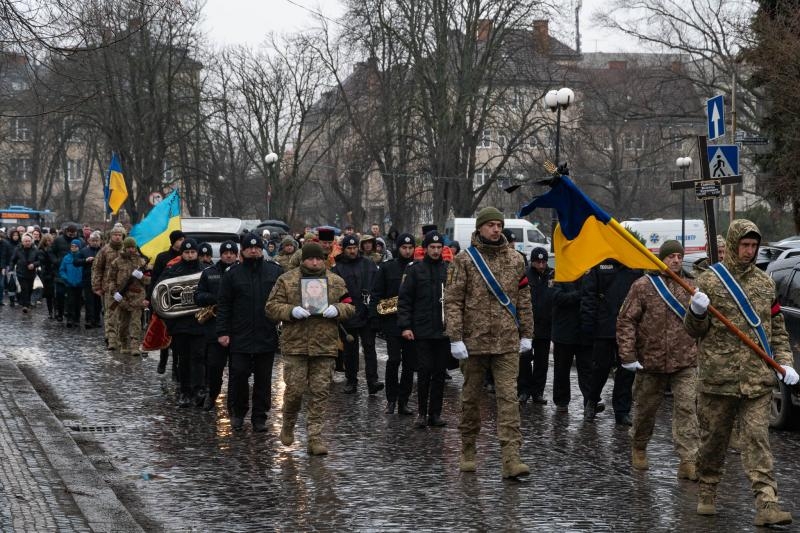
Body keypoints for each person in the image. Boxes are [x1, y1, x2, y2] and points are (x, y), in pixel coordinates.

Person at [686, 220, 796, 525]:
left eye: (753, 246)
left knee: (758, 440)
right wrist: (696, 311)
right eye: (744, 245)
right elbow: (693, 330)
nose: (749, 251)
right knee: (713, 441)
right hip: (717, 381)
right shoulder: (709, 282)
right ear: (734, 245)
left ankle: (767, 503)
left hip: (756, 382)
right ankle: (707, 490)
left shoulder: (766, 284)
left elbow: (777, 332)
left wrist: (785, 363)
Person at [445, 207, 533, 479]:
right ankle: (468, 448)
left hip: (506, 341)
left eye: (499, 225)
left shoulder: (516, 260)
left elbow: (524, 299)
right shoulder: (464, 260)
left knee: (508, 399)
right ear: (480, 228)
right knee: (471, 399)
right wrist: (455, 338)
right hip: (474, 343)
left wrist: (528, 333)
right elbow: (453, 301)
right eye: (490, 225)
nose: (496, 229)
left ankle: (511, 458)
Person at [617, 240, 699, 480]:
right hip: (650, 361)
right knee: (645, 409)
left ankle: (688, 459)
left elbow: (702, 323)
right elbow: (626, 320)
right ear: (660, 259)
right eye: (671, 256)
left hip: (684, 360)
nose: (676, 260)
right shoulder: (643, 286)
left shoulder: (692, 285)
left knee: (687, 409)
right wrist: (628, 355)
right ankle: (639, 446)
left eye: (679, 256)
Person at [266, 242, 355, 455]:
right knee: (294, 390)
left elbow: (350, 305)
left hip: (325, 346)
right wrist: (290, 311)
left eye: (318, 259)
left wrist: (338, 309)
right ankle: (288, 423)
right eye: (310, 258)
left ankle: (315, 438)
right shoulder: (287, 280)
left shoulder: (335, 281)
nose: (314, 262)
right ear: (303, 258)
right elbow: (270, 307)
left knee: (320, 392)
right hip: (296, 345)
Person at [216, 233, 283, 431]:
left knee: (263, 379)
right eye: (249, 248)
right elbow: (224, 305)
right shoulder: (232, 274)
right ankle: (237, 413)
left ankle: (259, 417)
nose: (253, 250)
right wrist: (222, 331)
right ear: (243, 250)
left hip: (266, 333)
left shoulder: (274, 272)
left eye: (257, 247)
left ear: (261, 249)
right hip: (239, 334)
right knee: (238, 375)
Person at [398, 231, 450, 428]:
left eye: (439, 248)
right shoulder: (415, 270)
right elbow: (405, 300)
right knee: (424, 371)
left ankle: (435, 413)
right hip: (421, 330)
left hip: (443, 331)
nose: (436, 251)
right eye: (432, 248)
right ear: (426, 248)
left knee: (439, 373)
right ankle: (421, 412)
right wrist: (405, 326)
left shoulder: (448, 269)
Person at [581, 259, 642, 425]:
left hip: (628, 328)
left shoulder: (635, 265)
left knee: (627, 371)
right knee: (600, 368)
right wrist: (588, 325)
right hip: (604, 326)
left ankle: (622, 411)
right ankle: (591, 402)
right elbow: (589, 296)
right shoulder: (600, 264)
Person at [370, 232, 417, 415]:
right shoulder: (387, 268)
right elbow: (376, 293)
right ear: (398, 248)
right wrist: (375, 319)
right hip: (391, 321)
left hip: (412, 322)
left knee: (410, 363)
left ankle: (404, 401)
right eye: (404, 248)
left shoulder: (417, 267)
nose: (407, 251)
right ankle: (391, 399)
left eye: (410, 248)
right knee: (394, 360)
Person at [157, 238, 207, 407]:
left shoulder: (206, 270)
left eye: (193, 252)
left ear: (197, 253)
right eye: (186, 252)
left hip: (200, 322)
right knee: (183, 359)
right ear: (182, 253)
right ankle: (184, 392)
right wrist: (170, 323)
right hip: (180, 324)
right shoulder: (172, 271)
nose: (190, 255)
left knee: (199, 357)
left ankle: (199, 390)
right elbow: (159, 294)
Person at [332, 235, 384, 395]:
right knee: (350, 351)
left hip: (367, 314)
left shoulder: (368, 264)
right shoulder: (338, 268)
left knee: (369, 348)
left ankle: (372, 380)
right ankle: (351, 380)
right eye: (349, 248)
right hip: (348, 315)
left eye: (355, 248)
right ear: (344, 249)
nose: (353, 251)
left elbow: (377, 286)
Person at [194, 239, 238, 411]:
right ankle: (212, 395)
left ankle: (232, 402)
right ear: (221, 254)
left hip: (236, 326)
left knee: (237, 369)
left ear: (236, 255)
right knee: (214, 367)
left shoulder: (241, 272)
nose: (228, 255)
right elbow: (198, 296)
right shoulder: (209, 273)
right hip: (214, 327)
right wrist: (216, 298)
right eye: (226, 253)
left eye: (232, 253)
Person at [550, 275, 593, 411]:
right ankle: (561, 402)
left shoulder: (589, 276)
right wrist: (580, 294)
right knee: (561, 369)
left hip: (583, 331)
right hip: (564, 331)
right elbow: (558, 298)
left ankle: (590, 402)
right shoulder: (561, 276)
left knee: (586, 370)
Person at [519, 246, 553, 405]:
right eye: (537, 262)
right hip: (527, 325)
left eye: (543, 262)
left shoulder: (552, 275)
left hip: (545, 326)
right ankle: (523, 390)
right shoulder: (525, 274)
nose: (541, 265)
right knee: (524, 360)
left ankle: (537, 392)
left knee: (542, 362)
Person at [151, 230, 185, 376]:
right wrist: (151, 298)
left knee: (179, 335)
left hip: (181, 300)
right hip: (166, 300)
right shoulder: (162, 257)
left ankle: (177, 366)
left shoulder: (186, 256)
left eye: (184, 239)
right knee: (165, 331)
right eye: (180, 239)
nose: (182, 241)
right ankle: (163, 360)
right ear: (174, 241)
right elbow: (155, 279)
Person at [108, 237, 150, 356]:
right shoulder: (116, 262)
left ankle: (135, 346)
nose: (131, 250)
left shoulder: (141, 262)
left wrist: (141, 276)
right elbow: (111, 279)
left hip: (137, 297)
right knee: (123, 324)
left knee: (136, 323)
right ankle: (124, 344)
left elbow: (149, 281)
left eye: (133, 247)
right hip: (122, 297)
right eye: (129, 247)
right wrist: (114, 292)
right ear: (124, 248)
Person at [92, 225, 126, 349]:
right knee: (110, 312)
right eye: (115, 235)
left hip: (125, 288)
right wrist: (97, 286)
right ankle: (110, 337)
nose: (117, 237)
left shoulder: (127, 250)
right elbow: (97, 269)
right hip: (109, 288)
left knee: (123, 314)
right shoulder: (104, 250)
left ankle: (120, 337)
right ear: (111, 236)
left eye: (119, 235)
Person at [52, 224, 82, 321]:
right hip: (61, 271)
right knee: (60, 294)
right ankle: (59, 312)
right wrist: (55, 260)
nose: (72, 235)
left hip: (75, 273)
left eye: (74, 234)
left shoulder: (80, 241)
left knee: (73, 297)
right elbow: (51, 251)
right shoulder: (58, 240)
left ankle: (71, 314)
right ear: (66, 231)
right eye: (70, 233)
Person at [75, 231, 102, 329]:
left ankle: (97, 319)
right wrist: (85, 260)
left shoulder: (103, 251)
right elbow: (76, 262)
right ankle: (89, 319)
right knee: (89, 300)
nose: (95, 242)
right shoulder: (83, 251)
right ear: (89, 241)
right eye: (93, 240)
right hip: (88, 279)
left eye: (96, 240)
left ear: (100, 241)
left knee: (98, 301)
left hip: (100, 280)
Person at [59, 239, 84, 328]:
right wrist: (66, 278)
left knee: (78, 302)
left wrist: (82, 280)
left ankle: (77, 319)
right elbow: (62, 270)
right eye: (72, 246)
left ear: (79, 247)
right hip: (69, 284)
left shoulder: (82, 257)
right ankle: (69, 319)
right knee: (70, 302)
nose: (73, 248)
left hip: (79, 284)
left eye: (75, 246)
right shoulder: (66, 258)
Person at [11, 233, 39, 313]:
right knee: (24, 289)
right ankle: (25, 306)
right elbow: (13, 260)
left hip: (31, 273)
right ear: (22, 242)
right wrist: (11, 268)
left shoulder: (35, 250)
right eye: (26, 241)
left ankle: (27, 302)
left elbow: (40, 260)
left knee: (30, 289)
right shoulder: (18, 249)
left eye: (29, 241)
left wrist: (34, 264)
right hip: (21, 273)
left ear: (31, 241)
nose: (27, 242)